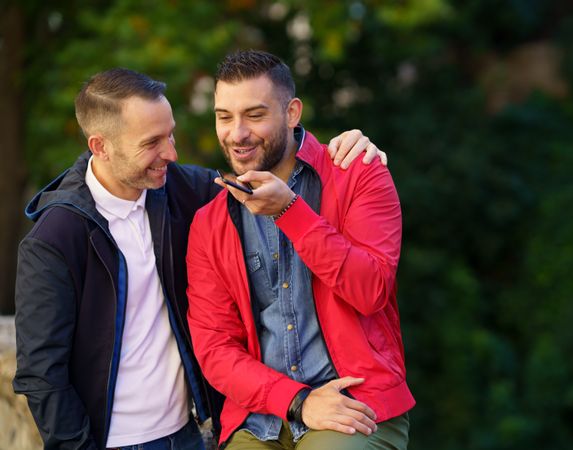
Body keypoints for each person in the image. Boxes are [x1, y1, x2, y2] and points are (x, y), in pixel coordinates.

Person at [13, 67, 385, 450]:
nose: (171, 153)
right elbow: (41, 374)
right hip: (111, 442)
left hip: (192, 436)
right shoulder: (54, 240)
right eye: (152, 143)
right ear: (100, 146)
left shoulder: (185, 191)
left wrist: (347, 149)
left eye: (170, 133)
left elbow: (274, 173)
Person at [186, 50, 414, 450]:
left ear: (292, 113)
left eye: (255, 115)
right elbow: (216, 350)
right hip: (261, 416)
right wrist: (297, 401)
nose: (237, 133)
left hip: (355, 405)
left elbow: (371, 289)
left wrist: (291, 212)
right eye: (224, 116)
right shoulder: (209, 222)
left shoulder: (358, 171)